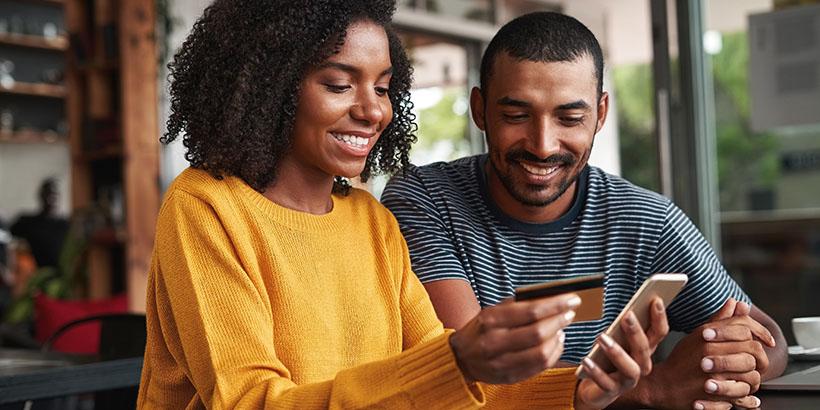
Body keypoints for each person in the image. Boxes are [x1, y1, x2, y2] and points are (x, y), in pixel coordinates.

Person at [138, 1, 669, 409]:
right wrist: (457, 359)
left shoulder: (371, 222)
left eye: (385, 88)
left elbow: (453, 389)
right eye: (340, 84)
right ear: (271, 86)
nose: (372, 110)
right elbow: (248, 401)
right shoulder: (206, 207)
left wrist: (577, 392)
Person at [381, 11, 787, 410]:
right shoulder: (424, 200)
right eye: (516, 115)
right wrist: (652, 388)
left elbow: (771, 341)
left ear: (601, 115)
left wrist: (720, 362)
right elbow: (475, 375)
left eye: (570, 117)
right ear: (480, 110)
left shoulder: (646, 220)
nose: (543, 144)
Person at [9, 178, 69, 269]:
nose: (50, 199)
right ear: (41, 196)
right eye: (47, 194)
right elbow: (6, 237)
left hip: (62, 274)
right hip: (37, 275)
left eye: (54, 194)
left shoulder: (66, 225)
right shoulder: (28, 223)